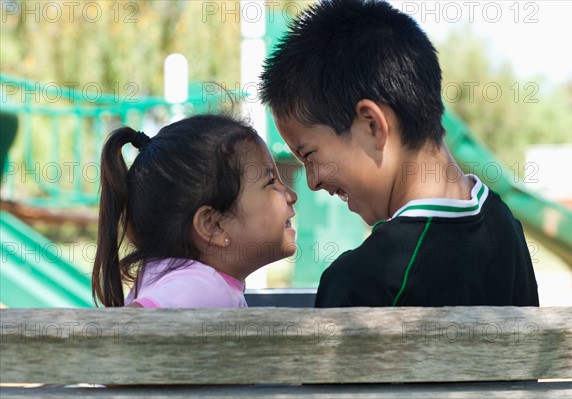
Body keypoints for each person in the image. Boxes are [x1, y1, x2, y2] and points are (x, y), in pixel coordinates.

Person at [259, 0, 539, 307]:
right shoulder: (506, 229)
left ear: (372, 125)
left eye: (310, 155)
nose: (312, 182)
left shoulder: (359, 281)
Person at [92, 114, 298, 308]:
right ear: (213, 225)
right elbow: (122, 328)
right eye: (271, 182)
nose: (291, 195)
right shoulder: (203, 288)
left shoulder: (167, 273)